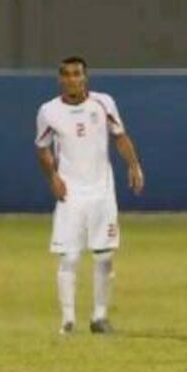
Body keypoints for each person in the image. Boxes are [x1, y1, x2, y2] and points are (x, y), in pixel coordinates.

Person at [35, 56, 145, 335]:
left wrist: (133, 166)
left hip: (102, 193)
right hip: (70, 194)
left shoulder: (103, 103)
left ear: (85, 77)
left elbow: (120, 136)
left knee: (104, 255)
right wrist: (53, 178)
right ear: (60, 79)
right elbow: (42, 147)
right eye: (67, 74)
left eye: (77, 74)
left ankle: (99, 317)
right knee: (69, 257)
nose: (72, 79)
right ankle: (67, 321)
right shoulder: (49, 111)